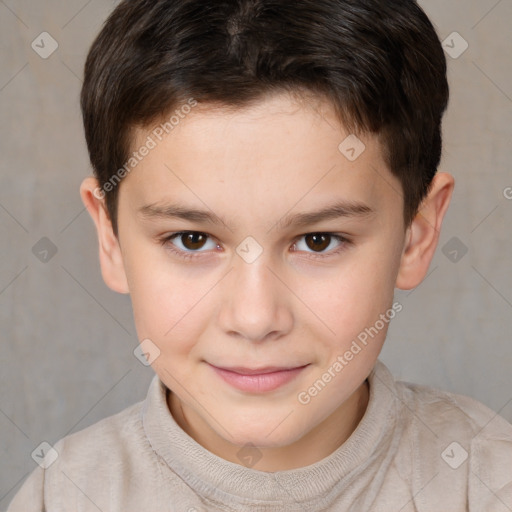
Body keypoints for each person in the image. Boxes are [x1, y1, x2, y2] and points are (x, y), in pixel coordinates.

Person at [8, 0, 512, 510]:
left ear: (415, 235)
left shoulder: (486, 482)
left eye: (319, 240)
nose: (254, 319)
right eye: (192, 240)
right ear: (110, 238)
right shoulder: (65, 494)